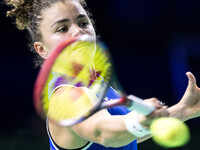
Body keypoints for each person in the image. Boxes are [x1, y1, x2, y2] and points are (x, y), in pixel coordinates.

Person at [5, 0, 200, 150]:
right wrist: (136, 122)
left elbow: (124, 135)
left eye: (83, 22)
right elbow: (103, 132)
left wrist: (184, 110)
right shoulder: (65, 97)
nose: (78, 32)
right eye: (62, 29)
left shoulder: (96, 83)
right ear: (42, 50)